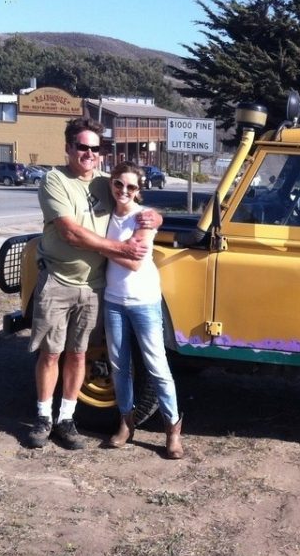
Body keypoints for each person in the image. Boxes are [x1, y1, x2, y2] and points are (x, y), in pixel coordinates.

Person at [28, 118, 161, 450]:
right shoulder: (54, 180)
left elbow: (135, 199)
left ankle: (67, 418)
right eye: (82, 147)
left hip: (95, 285)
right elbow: (70, 232)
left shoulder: (107, 182)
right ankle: (43, 417)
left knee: (78, 354)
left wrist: (156, 216)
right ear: (69, 148)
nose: (89, 153)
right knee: (50, 353)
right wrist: (121, 249)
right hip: (58, 280)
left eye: (95, 148)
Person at [103, 161, 184, 459]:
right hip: (112, 300)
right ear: (110, 184)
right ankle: (126, 422)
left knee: (157, 367)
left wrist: (98, 246)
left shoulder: (144, 219)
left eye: (131, 186)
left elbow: (135, 261)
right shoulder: (103, 215)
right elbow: (122, 252)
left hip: (144, 301)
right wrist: (113, 246)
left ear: (139, 191)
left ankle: (173, 430)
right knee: (119, 366)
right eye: (118, 184)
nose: (123, 191)